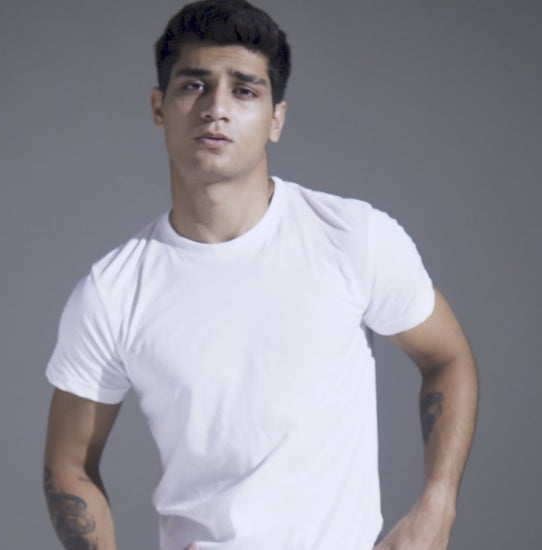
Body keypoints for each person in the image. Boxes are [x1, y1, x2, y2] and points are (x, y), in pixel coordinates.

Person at [43, 1, 479, 549]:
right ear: (159, 107)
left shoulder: (350, 238)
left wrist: (438, 504)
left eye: (245, 90)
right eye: (194, 86)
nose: (216, 109)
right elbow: (70, 462)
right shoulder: (113, 291)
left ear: (276, 119)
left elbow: (447, 358)